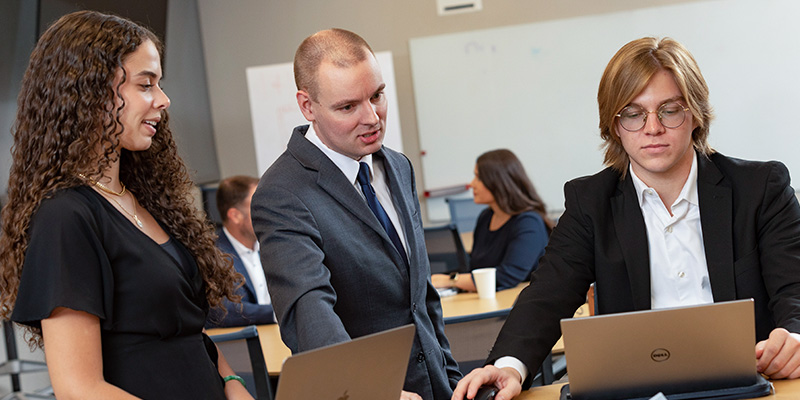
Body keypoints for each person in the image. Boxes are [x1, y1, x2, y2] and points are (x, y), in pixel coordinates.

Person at [453, 36, 800, 400]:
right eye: (633, 114)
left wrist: (794, 336)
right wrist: (509, 365)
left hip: (751, 387)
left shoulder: (760, 188)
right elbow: (547, 294)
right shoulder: (590, 202)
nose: (652, 128)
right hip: (642, 393)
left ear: (695, 113)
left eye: (669, 109)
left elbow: (794, 285)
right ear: (614, 125)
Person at [0, 11, 252, 399]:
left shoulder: (146, 201)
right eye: (146, 84)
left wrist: (233, 385)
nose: (163, 100)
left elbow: (186, 331)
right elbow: (78, 388)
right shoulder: (65, 216)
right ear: (93, 92)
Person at [251, 28, 461, 400]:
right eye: (348, 107)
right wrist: (369, 390)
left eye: (377, 96)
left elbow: (420, 297)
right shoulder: (281, 192)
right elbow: (309, 311)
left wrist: (450, 378)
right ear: (307, 106)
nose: (372, 118)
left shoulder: (397, 166)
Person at [432, 149, 552, 292]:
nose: (472, 184)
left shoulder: (528, 222)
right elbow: (476, 268)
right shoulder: (486, 217)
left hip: (516, 305)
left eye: (479, 178)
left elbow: (508, 276)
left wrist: (450, 280)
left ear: (498, 182)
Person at [206, 175, 275, 328]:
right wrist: (277, 313)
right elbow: (225, 310)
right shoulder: (213, 255)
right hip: (245, 343)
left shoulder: (272, 245)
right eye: (258, 206)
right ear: (235, 216)